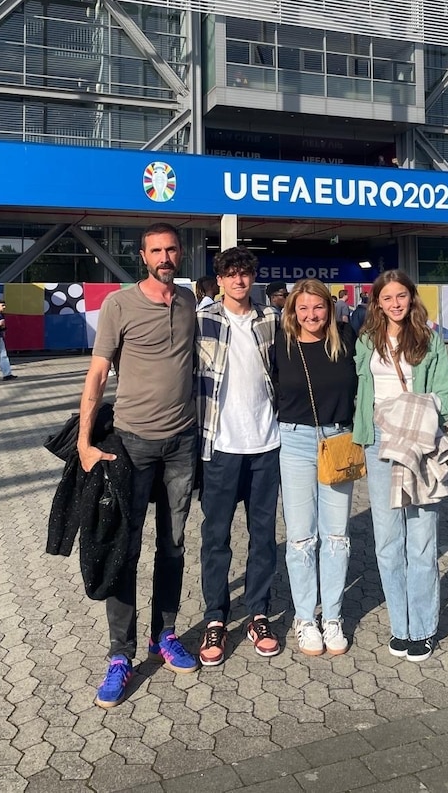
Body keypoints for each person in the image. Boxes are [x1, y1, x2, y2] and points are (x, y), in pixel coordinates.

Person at [77, 222, 200, 709]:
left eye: (172, 249)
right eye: (156, 251)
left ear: (180, 254)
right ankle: (119, 654)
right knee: (124, 547)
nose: (165, 257)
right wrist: (86, 442)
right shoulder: (119, 305)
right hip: (131, 444)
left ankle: (164, 635)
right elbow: (99, 372)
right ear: (143, 255)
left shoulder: (189, 301)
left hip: (182, 444)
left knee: (171, 545)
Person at [353, 270, 448, 662]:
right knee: (387, 539)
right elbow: (359, 392)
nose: (395, 304)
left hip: (417, 439)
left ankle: (425, 628)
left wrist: (415, 416)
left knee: (421, 536)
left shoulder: (428, 340)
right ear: (377, 303)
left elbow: (447, 396)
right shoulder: (366, 341)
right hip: (379, 442)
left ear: (412, 299)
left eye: (401, 296)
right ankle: (401, 625)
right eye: (387, 298)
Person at [196, 246, 281, 667]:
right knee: (216, 537)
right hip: (220, 447)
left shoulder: (271, 320)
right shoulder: (204, 321)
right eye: (231, 274)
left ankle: (259, 613)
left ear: (253, 277)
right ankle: (215, 618)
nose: (239, 281)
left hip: (267, 445)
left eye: (245, 273)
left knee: (263, 535)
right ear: (220, 279)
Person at [275, 279, 358, 657]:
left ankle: (334, 617)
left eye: (318, 307)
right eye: (303, 308)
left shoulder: (346, 338)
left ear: (330, 307)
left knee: (337, 535)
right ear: (292, 310)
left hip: (339, 440)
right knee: (301, 536)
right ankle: (306, 617)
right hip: (293, 441)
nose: (311, 315)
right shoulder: (281, 344)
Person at [0, 300, 17, 380]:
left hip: (0, 338)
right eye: (2, 305)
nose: (4, 307)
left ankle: (7, 374)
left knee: (3, 355)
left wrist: (3, 331)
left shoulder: (2, 315)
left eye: (4, 305)